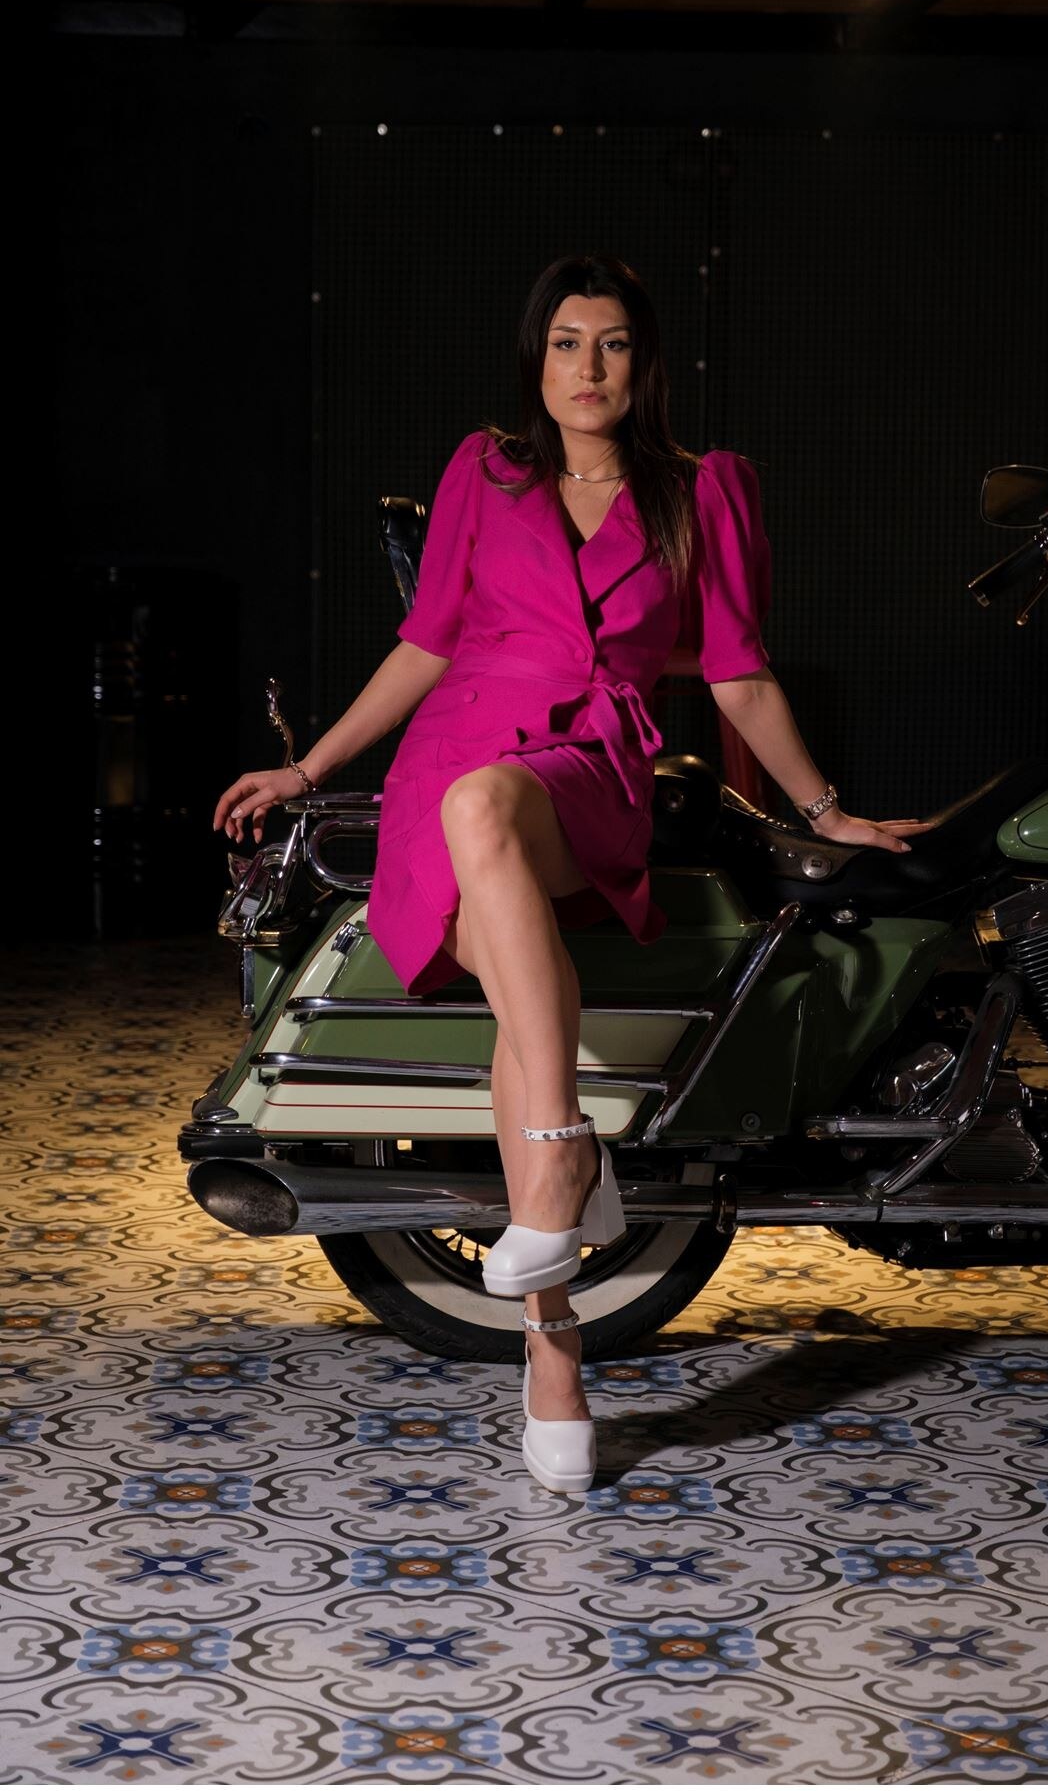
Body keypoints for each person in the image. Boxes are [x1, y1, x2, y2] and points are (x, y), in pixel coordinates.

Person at [212, 253, 933, 1496]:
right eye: (565, 343)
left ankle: (559, 1169)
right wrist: (310, 765)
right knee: (510, 970)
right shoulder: (485, 471)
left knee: (488, 813)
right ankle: (555, 1344)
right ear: (535, 359)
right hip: (454, 753)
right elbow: (426, 644)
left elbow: (738, 673)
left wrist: (829, 813)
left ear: (645, 366)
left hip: (586, 766)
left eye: (612, 344)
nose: (587, 368)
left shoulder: (702, 491)